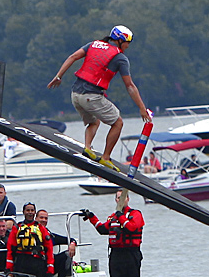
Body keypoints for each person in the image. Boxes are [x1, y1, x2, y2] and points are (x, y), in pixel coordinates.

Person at [47, 25, 152, 171]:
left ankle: (88, 148)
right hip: (91, 97)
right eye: (127, 42)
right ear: (120, 40)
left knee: (94, 121)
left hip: (75, 95)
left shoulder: (93, 45)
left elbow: (73, 57)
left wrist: (58, 76)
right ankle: (106, 157)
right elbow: (130, 86)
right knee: (118, 123)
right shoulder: (120, 58)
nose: (128, 46)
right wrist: (142, 108)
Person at [81, 190, 145, 277]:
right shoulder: (113, 217)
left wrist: (121, 216)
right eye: (118, 198)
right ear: (115, 200)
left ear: (127, 199)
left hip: (131, 254)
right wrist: (91, 217)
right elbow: (103, 229)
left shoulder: (135, 214)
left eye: (122, 197)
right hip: (116, 255)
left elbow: (131, 227)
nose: (120, 200)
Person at [36, 209, 78, 277]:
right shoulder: (31, 233)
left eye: (46, 218)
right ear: (36, 219)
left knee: (67, 255)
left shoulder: (49, 235)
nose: (44, 220)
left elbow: (69, 239)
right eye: (41, 218)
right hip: (37, 265)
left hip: (50, 264)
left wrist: (73, 243)